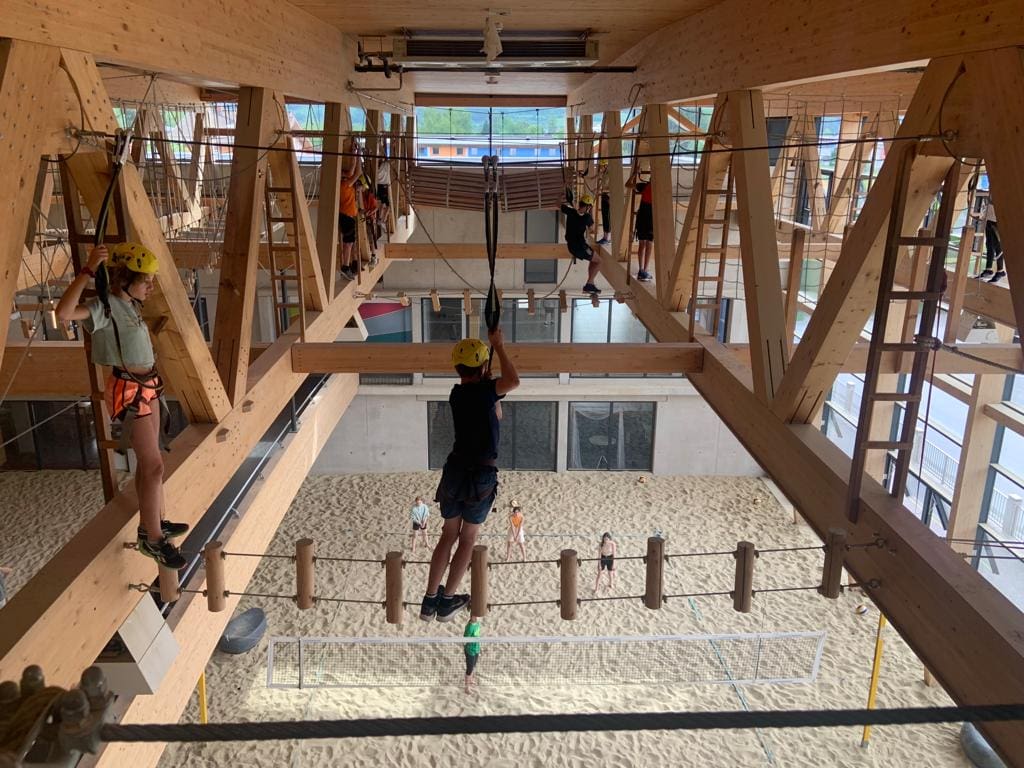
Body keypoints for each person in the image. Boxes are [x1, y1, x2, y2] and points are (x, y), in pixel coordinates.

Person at [55, 243, 189, 569]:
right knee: (154, 467)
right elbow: (63, 313)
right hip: (129, 392)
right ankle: (152, 540)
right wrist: (88, 269)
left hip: (146, 386)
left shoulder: (130, 306)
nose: (151, 287)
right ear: (125, 280)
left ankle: (153, 522)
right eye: (145, 281)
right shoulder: (105, 308)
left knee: (150, 463)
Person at [420, 328, 520, 622]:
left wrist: (488, 380)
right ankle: (447, 601)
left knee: (447, 535)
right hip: (480, 475)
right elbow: (514, 381)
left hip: (455, 470)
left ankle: (429, 600)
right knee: (467, 538)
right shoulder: (486, 392)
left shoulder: (457, 394)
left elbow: (495, 413)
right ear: (483, 365)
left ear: (458, 368)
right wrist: (500, 346)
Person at [559, 192, 603, 295]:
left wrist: (560, 196)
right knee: (599, 261)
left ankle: (590, 283)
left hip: (572, 246)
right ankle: (589, 284)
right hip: (580, 247)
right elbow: (592, 229)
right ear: (588, 207)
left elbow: (557, 204)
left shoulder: (571, 211)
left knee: (594, 260)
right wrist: (591, 213)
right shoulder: (587, 217)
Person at [338, 140, 363, 281]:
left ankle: (347, 265)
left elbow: (353, 169)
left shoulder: (344, 184)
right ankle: (345, 267)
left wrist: (354, 152)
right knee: (348, 243)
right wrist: (359, 154)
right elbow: (358, 172)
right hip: (347, 216)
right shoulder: (345, 185)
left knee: (350, 242)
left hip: (347, 215)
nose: (349, 173)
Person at [627, 169, 654, 282]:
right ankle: (645, 270)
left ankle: (641, 270)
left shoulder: (644, 186)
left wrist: (634, 174)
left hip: (641, 218)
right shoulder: (658, 189)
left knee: (642, 244)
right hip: (651, 219)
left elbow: (627, 185)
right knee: (649, 244)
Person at [973, 196, 1005, 283]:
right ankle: (988, 269)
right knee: (989, 245)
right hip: (989, 216)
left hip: (996, 218)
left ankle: (1000, 270)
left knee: (998, 245)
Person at [464, 615, 482, 694]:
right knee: (469, 669)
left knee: (473, 666)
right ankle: (467, 687)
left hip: (476, 648)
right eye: (474, 615)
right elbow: (465, 639)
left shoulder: (477, 624)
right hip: (470, 650)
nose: (476, 616)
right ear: (471, 616)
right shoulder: (469, 627)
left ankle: (470, 680)